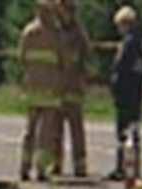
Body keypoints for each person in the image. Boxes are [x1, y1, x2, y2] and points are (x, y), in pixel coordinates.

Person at [18, 0, 64, 181]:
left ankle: (24, 166)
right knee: (46, 133)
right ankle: (41, 169)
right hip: (50, 89)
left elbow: (22, 58)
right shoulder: (55, 35)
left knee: (30, 129)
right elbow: (64, 61)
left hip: (32, 88)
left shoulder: (28, 33)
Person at [109, 5, 142, 183]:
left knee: (124, 132)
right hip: (136, 93)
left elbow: (121, 69)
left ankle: (123, 168)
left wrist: (114, 84)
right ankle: (133, 167)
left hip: (126, 93)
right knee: (133, 129)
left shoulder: (128, 44)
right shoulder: (139, 44)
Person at [54, 0, 90, 178]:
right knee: (55, 130)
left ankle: (80, 165)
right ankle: (55, 164)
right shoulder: (54, 31)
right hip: (57, 87)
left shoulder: (79, 34)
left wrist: (83, 79)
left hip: (74, 86)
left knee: (77, 130)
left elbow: (85, 58)